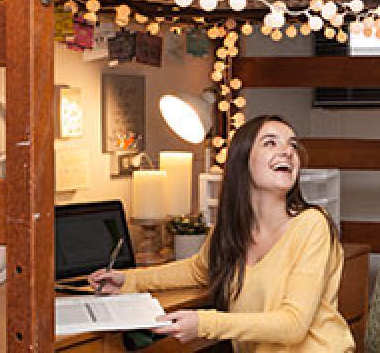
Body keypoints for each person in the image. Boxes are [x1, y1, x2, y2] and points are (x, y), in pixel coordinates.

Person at [89, 116, 353, 352]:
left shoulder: (313, 225)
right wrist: (129, 281)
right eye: (271, 143)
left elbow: (293, 324)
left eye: (292, 145)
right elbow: (197, 270)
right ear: (242, 159)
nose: (287, 152)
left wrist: (205, 323)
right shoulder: (230, 231)